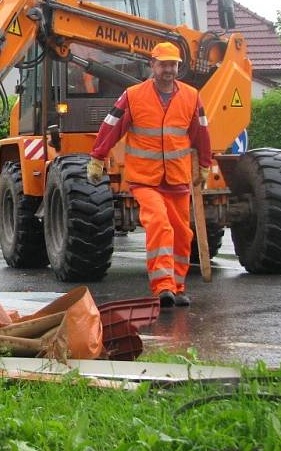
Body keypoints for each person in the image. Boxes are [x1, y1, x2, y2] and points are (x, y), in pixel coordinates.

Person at [87, 42, 211, 308]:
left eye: (173, 64)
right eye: (163, 64)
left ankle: (177, 287)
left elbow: (201, 133)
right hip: (145, 179)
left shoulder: (191, 96)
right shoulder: (133, 95)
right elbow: (111, 127)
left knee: (181, 233)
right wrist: (97, 158)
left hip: (177, 179)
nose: (169, 69)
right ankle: (162, 286)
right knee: (159, 223)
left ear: (179, 66)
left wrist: (204, 165)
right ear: (152, 65)